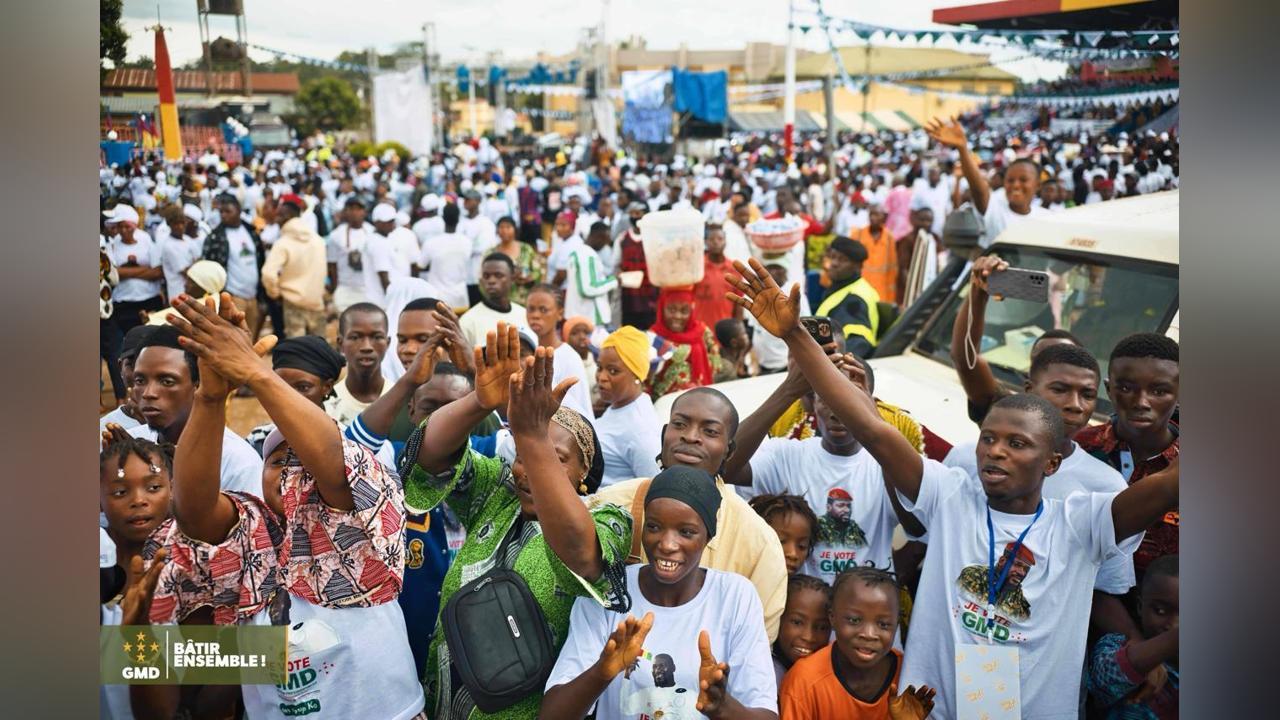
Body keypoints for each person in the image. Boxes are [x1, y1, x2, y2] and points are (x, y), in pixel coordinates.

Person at [727, 256, 1180, 720]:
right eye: (989, 439)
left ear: (1053, 461)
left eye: (1017, 444)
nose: (995, 452)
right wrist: (796, 338)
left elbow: (1172, 484)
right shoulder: (951, 496)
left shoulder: (1084, 522)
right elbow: (875, 430)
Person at [147, 294, 426, 719]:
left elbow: (334, 466)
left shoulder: (360, 521)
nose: (293, 472)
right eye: (279, 461)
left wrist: (257, 374)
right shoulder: (250, 532)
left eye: (303, 459)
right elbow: (194, 513)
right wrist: (209, 397)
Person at [400, 328, 633, 719]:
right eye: (522, 454)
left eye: (554, 457)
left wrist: (531, 434)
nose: (528, 471)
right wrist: (479, 401)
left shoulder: (610, 520)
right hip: (444, 702)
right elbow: (427, 458)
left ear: (583, 473)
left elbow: (579, 552)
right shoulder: (498, 494)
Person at [542, 467, 780, 720]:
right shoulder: (609, 592)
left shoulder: (735, 597)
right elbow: (552, 715)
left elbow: (765, 715)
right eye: (654, 527)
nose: (666, 544)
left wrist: (722, 707)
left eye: (686, 532)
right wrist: (601, 672)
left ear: (708, 535)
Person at [590, 387, 789, 642]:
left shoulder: (758, 542)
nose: (691, 437)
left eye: (710, 431)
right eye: (680, 424)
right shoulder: (610, 504)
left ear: (728, 450)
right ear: (664, 435)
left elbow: (756, 647)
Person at [724, 358, 913, 588]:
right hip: (799, 620)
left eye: (850, 401)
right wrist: (788, 390)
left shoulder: (891, 463)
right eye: (827, 399)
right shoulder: (786, 456)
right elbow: (725, 466)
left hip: (864, 620)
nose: (837, 413)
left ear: (871, 403)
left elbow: (920, 525)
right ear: (812, 402)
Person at [1075, 333, 1180, 577]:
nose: (1141, 402)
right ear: (1109, 389)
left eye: (1159, 391)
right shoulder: (1078, 450)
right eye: (1126, 388)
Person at [113, 324, 260, 496]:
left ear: (199, 386)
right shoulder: (128, 444)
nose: (148, 393)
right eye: (140, 381)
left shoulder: (237, 461)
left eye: (167, 381)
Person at [779, 567, 937, 720]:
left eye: (883, 624)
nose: (868, 634)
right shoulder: (804, 681)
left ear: (896, 625)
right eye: (854, 620)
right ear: (832, 617)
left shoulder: (910, 678)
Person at [950, 255, 1084, 424]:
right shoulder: (1010, 414)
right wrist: (978, 290)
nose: (1074, 404)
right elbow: (965, 359)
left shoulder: (1102, 442)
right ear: (1029, 386)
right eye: (1044, 363)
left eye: (1087, 394)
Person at [926, 116, 1046, 249]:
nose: (1016, 185)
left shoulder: (1045, 219)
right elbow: (979, 190)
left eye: (1023, 180)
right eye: (1010, 180)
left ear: (1038, 185)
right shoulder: (996, 210)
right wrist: (962, 148)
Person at [1088, 554, 1178, 719]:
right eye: (1160, 611)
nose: (1172, 625)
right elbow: (1104, 680)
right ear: (1140, 606)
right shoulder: (1117, 643)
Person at [244, 334, 347, 454]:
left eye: (303, 387)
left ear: (327, 387)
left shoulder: (345, 444)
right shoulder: (258, 440)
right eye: (280, 386)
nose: (288, 396)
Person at [594, 326, 663, 488]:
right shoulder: (619, 405)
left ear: (636, 374)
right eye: (599, 368)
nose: (601, 377)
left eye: (613, 371)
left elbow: (655, 487)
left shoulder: (642, 430)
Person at [261, 194, 328, 337]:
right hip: (316, 301)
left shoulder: (283, 243)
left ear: (285, 217)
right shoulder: (318, 240)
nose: (277, 219)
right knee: (319, 351)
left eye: (279, 216)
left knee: (297, 352)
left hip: (293, 302)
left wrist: (275, 294)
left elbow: (268, 273)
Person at [525, 284, 595, 418]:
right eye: (531, 309)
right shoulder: (525, 353)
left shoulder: (568, 357)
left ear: (560, 314)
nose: (535, 315)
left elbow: (581, 410)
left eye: (543, 310)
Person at [201, 194, 265, 338]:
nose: (223, 215)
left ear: (238, 210)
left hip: (253, 296)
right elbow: (209, 268)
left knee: (251, 338)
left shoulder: (251, 231)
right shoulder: (215, 237)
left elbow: (260, 261)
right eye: (221, 212)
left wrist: (261, 295)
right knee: (236, 339)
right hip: (233, 297)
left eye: (227, 211)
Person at [324, 303, 391, 428]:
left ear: (387, 343)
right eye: (355, 337)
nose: (367, 347)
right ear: (340, 343)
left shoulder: (403, 401)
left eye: (377, 337)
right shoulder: (327, 405)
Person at [104, 203, 166, 338]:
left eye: (127, 226)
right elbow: (113, 273)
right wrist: (144, 269)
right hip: (124, 303)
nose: (123, 230)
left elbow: (157, 272)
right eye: (120, 226)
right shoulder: (112, 244)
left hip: (149, 299)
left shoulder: (146, 239)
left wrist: (125, 271)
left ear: (135, 225)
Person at [649, 288, 722, 397]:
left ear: (691, 311)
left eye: (684, 311)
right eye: (671, 310)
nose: (678, 316)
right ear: (661, 309)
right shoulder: (653, 336)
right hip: (663, 402)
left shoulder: (702, 331)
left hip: (699, 397)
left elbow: (716, 364)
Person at [816, 237, 879, 359]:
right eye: (832, 257)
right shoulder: (848, 286)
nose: (834, 263)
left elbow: (858, 344)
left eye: (842, 260)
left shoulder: (854, 300)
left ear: (858, 266)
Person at [771, 574, 832, 687]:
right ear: (778, 618)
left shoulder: (831, 676)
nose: (808, 637)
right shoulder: (765, 674)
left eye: (822, 627)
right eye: (797, 622)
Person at [752, 262, 811, 375]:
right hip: (763, 365)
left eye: (777, 268)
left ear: (784, 271)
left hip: (785, 365)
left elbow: (805, 326)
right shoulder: (759, 292)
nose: (772, 272)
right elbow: (753, 328)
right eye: (769, 268)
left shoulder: (794, 293)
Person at [458, 253, 529, 348]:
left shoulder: (524, 314)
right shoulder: (468, 322)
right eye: (486, 276)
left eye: (498, 275)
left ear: (512, 278)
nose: (491, 281)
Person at [748, 493, 819, 578]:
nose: (793, 554)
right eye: (780, 541)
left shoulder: (804, 590)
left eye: (802, 546)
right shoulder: (737, 585)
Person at [99, 325, 153, 433]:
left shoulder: (186, 424)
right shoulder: (104, 430)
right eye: (132, 364)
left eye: (154, 365)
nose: (141, 372)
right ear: (120, 368)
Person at [419, 202, 472, 311]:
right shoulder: (467, 242)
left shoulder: (431, 242)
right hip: (460, 299)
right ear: (458, 219)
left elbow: (420, 265)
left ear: (442, 218)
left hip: (437, 300)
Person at [366, 203, 421, 306]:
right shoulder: (377, 243)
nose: (391, 224)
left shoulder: (380, 239)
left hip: (388, 300)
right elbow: (384, 278)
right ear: (377, 223)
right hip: (383, 302)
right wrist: (395, 302)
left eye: (392, 221)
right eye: (387, 222)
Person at [565, 222, 618, 327]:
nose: (605, 245)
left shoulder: (577, 252)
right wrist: (614, 281)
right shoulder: (588, 256)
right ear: (599, 237)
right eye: (605, 241)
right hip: (589, 318)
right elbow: (588, 288)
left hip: (577, 314)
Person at [327, 196, 375, 312]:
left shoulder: (372, 232)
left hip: (368, 288)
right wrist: (335, 288)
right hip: (345, 287)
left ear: (364, 212)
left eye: (358, 209)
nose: (354, 212)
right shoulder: (336, 235)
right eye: (351, 209)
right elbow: (332, 265)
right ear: (345, 212)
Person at [693, 224, 742, 333]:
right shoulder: (697, 267)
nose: (716, 242)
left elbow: (739, 304)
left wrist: (738, 329)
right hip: (700, 330)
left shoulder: (734, 269)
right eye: (712, 239)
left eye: (720, 239)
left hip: (725, 331)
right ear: (706, 242)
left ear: (725, 242)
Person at [617, 202, 658, 329]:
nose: (635, 217)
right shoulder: (622, 238)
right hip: (628, 295)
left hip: (649, 295)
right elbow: (616, 263)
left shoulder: (654, 237)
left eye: (638, 213)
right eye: (632, 213)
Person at [896, 207, 945, 308]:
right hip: (912, 289)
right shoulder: (907, 240)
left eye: (929, 221)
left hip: (930, 286)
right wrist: (912, 290)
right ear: (915, 220)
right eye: (922, 220)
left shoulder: (935, 239)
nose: (926, 224)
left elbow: (941, 261)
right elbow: (903, 269)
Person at [458, 190, 499, 305]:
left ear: (477, 201)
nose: (465, 202)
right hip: (463, 273)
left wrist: (466, 246)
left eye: (469, 199)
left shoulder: (486, 223)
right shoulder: (460, 222)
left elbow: (484, 246)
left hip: (479, 272)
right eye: (465, 199)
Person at [158, 205, 206, 302]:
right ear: (169, 224)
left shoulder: (188, 239)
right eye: (176, 224)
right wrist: (196, 265)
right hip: (178, 294)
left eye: (182, 223)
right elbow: (187, 272)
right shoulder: (169, 246)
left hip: (192, 294)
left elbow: (200, 261)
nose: (180, 227)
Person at [492, 216, 544, 305]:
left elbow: (538, 271)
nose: (504, 231)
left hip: (524, 301)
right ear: (497, 231)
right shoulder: (491, 253)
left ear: (515, 229)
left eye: (508, 227)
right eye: (501, 227)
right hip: (500, 302)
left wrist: (529, 278)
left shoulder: (526, 249)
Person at [854, 205, 899, 306]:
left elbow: (893, 266)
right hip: (861, 287)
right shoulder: (858, 234)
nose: (873, 218)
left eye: (876, 215)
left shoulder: (889, 237)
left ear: (883, 217)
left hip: (882, 288)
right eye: (871, 214)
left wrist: (891, 294)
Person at [563, 316, 598, 402]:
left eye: (586, 332)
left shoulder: (598, 364)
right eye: (575, 333)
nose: (582, 337)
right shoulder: (564, 368)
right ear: (566, 339)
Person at [548, 210, 585, 290]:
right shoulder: (563, 240)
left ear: (572, 227)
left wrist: (550, 290)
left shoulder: (571, 244)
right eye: (557, 224)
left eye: (563, 225)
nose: (559, 228)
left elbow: (561, 275)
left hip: (563, 290)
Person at [713, 318, 754, 383]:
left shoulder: (735, 354)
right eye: (744, 333)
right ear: (734, 343)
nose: (747, 335)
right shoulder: (727, 369)